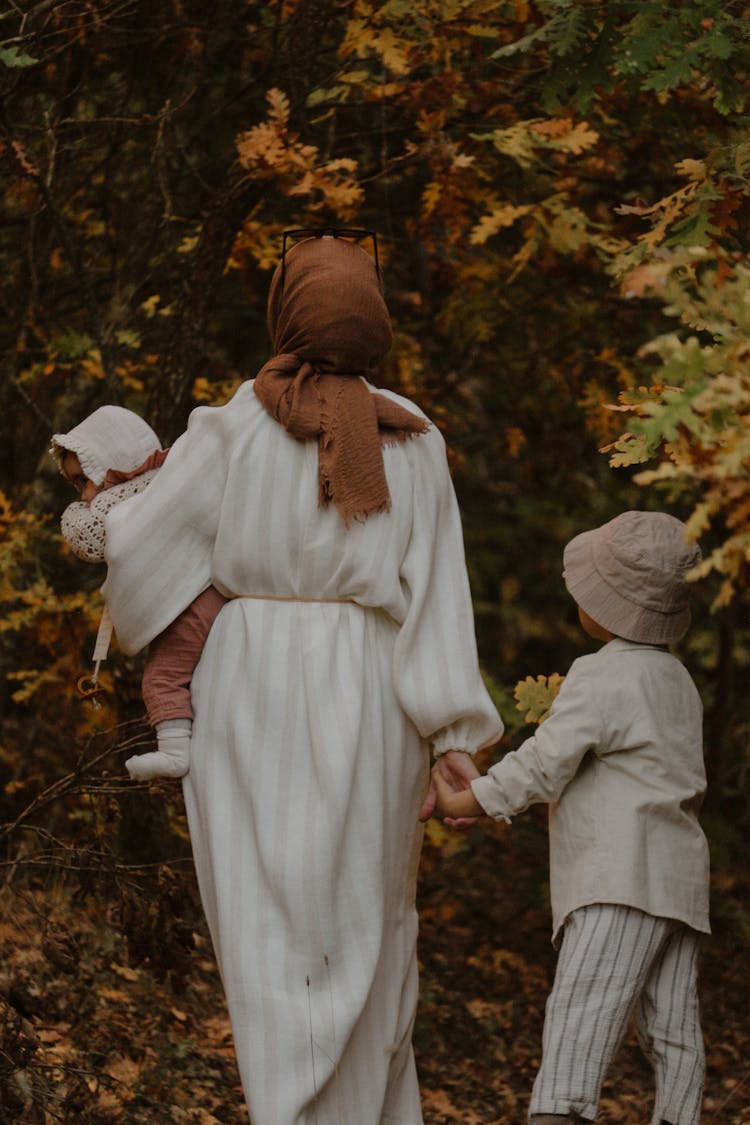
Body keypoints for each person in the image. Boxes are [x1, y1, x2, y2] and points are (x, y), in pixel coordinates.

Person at [98, 231, 503, 1124]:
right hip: (374, 691)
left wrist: (132, 590)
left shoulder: (238, 421)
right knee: (371, 922)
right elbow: (437, 598)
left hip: (251, 688)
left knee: (266, 922)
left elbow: (140, 547)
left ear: (288, 311)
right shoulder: (414, 437)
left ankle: (290, 1104)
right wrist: (454, 738)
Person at [433, 510, 710, 1125]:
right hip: (680, 886)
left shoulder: (601, 675)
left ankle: (555, 1117)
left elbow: (543, 762)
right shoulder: (678, 681)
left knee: (579, 1022)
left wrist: (471, 800)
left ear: (605, 606)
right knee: (673, 1033)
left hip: (619, 881)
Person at [52, 406, 227, 780]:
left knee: (161, 678)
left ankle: (175, 753)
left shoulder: (127, 499)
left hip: (190, 601)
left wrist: (71, 513)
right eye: (75, 485)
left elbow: (90, 539)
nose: (83, 494)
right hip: (206, 594)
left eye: (85, 480)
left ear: (113, 466)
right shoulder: (166, 484)